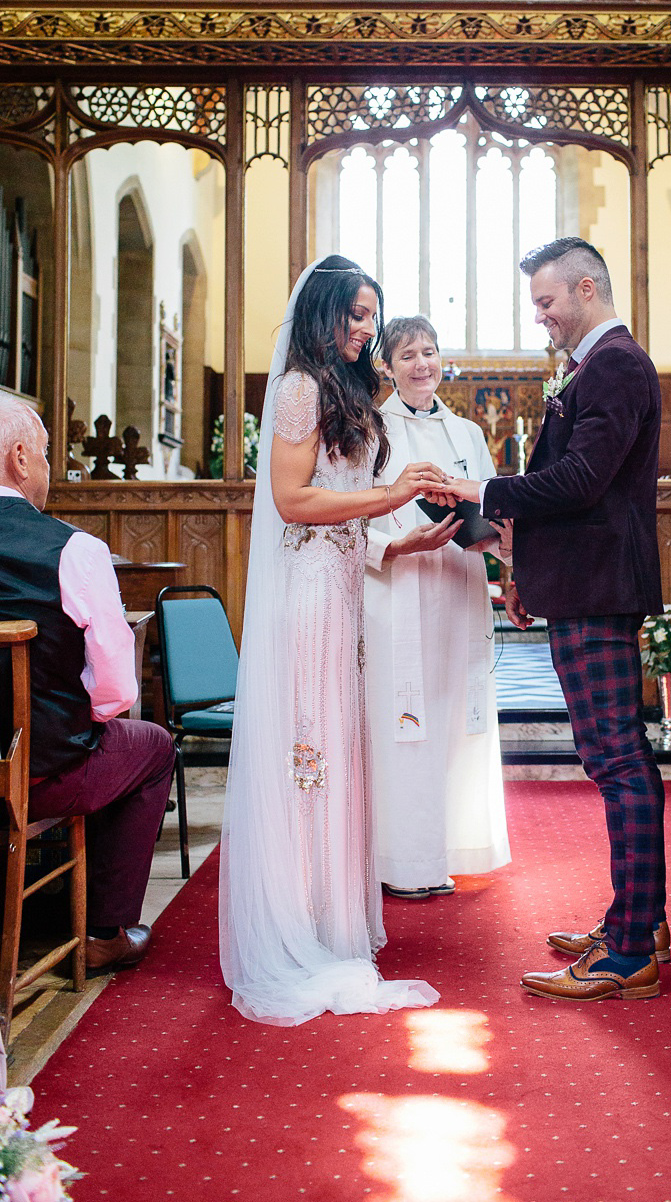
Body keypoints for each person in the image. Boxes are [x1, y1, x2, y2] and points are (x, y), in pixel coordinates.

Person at [426, 236, 669, 1002]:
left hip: (599, 587)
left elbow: (583, 479)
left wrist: (482, 492)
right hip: (581, 581)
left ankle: (630, 954)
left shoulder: (618, 364)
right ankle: (640, 920)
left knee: (617, 760)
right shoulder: (597, 366)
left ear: (587, 287)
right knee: (614, 758)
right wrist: (523, 566)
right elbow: (568, 484)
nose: (541, 319)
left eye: (547, 302)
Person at [218, 256, 447, 1026]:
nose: (364, 329)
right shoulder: (296, 389)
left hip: (343, 585)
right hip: (309, 594)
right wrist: (391, 493)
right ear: (321, 312)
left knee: (341, 748)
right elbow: (290, 498)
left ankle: (333, 919)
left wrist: (400, 505)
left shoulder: (346, 390)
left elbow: (347, 497)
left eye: (370, 316)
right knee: (310, 754)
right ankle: (302, 922)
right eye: (353, 313)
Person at [0, 396, 175, 972]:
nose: (49, 469)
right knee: (150, 747)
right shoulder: (73, 551)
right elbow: (116, 694)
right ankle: (104, 929)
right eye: (48, 456)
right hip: (35, 773)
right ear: (20, 458)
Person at [364, 315, 510, 899]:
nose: (422, 364)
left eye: (430, 352)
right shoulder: (370, 430)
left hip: (458, 586)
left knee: (454, 715)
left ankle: (445, 849)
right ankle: (401, 859)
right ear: (387, 366)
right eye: (407, 355)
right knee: (403, 722)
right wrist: (393, 544)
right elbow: (354, 510)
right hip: (398, 587)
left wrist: (503, 559)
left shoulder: (468, 433)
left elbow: (496, 509)